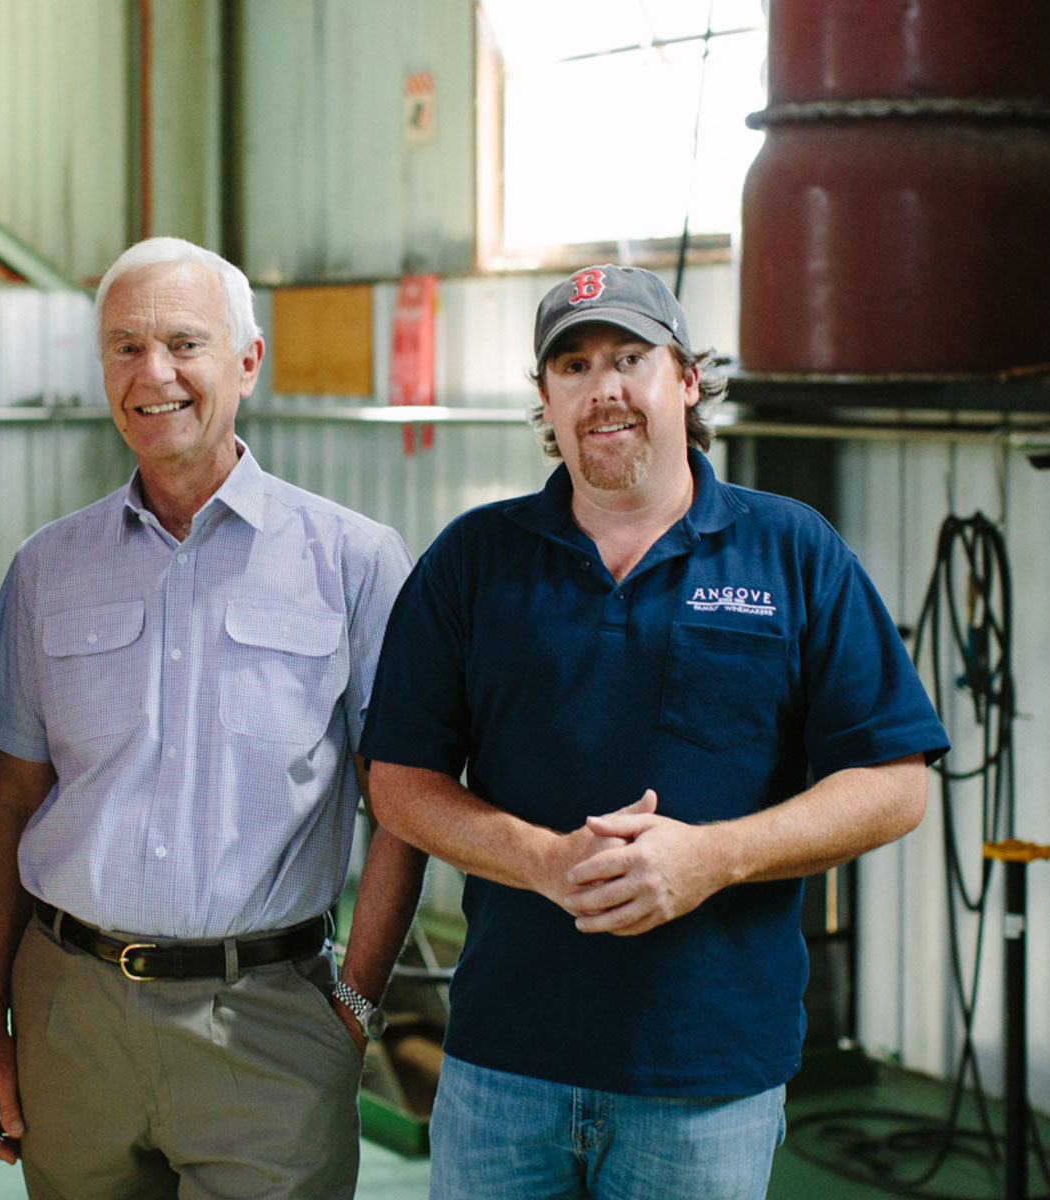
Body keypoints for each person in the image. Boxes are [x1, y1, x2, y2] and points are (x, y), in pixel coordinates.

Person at [360, 264, 949, 1200]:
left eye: (631, 357)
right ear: (546, 401)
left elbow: (894, 780)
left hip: (707, 1079)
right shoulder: (474, 561)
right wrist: (546, 862)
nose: (604, 389)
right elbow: (398, 782)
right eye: (574, 366)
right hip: (503, 1067)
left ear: (686, 379)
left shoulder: (792, 551)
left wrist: (711, 858)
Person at [0, 236, 428, 1200]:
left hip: (269, 1023)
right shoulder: (47, 567)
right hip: (69, 1021)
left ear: (248, 361)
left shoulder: (355, 561)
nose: (152, 374)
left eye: (183, 342)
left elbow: (405, 808)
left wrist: (353, 1007)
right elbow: (9, 805)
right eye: (125, 347)